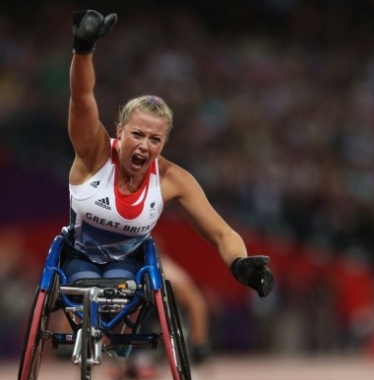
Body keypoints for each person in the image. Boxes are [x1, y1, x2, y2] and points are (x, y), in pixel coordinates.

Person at [63, 9, 274, 298]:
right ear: (120, 131)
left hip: (127, 266)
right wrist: (84, 50)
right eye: (137, 134)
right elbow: (82, 99)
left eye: (155, 139)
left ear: (164, 142)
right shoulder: (94, 153)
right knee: (89, 290)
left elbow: (222, 233)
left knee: (120, 289)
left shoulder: (173, 179)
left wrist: (240, 263)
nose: (144, 146)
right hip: (78, 259)